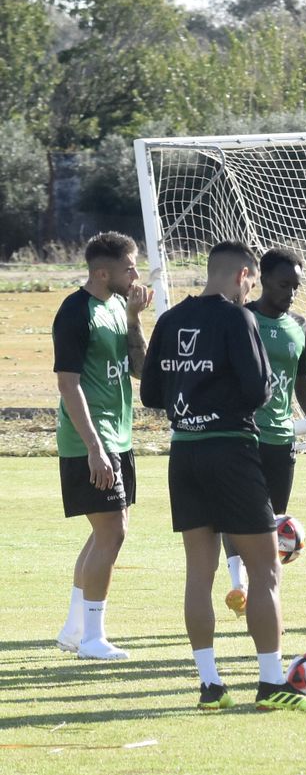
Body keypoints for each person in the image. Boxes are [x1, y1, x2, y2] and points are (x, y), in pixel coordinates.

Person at [142, 241, 306, 710]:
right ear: (245, 275)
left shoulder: (168, 320)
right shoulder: (237, 318)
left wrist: (194, 403)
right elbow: (260, 390)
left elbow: (149, 393)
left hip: (183, 454)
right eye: (251, 282)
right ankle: (270, 686)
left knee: (198, 574)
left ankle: (211, 687)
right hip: (231, 451)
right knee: (265, 569)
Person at [221, 249, 306, 620]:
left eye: (296, 287)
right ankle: (238, 584)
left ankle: (264, 599)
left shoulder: (300, 326)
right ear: (263, 279)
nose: (290, 293)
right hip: (243, 436)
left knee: (275, 520)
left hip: (281, 440)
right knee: (239, 516)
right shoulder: (242, 319)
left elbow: (304, 383)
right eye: (284, 284)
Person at [53, 232, 149, 660]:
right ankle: (92, 638)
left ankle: (75, 629)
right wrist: (94, 447)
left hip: (119, 435)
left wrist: (133, 318)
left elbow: (142, 372)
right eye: (130, 267)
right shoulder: (75, 312)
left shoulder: (116, 306)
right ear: (103, 272)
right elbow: (68, 385)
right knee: (113, 531)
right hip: (90, 441)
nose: (136, 274)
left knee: (105, 532)